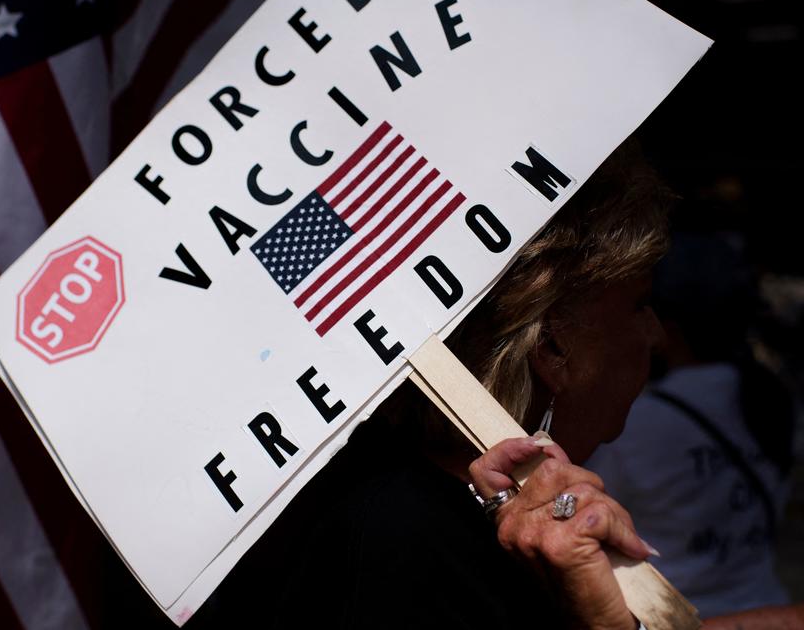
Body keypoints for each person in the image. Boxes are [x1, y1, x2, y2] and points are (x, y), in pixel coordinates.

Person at [186, 140, 674, 629]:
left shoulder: (405, 506)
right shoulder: (400, 542)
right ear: (551, 347)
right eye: (640, 303)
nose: (656, 333)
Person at [586, 233, 795, 618]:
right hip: (771, 609)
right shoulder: (773, 397)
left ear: (669, 327)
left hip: (682, 616)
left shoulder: (634, 420)